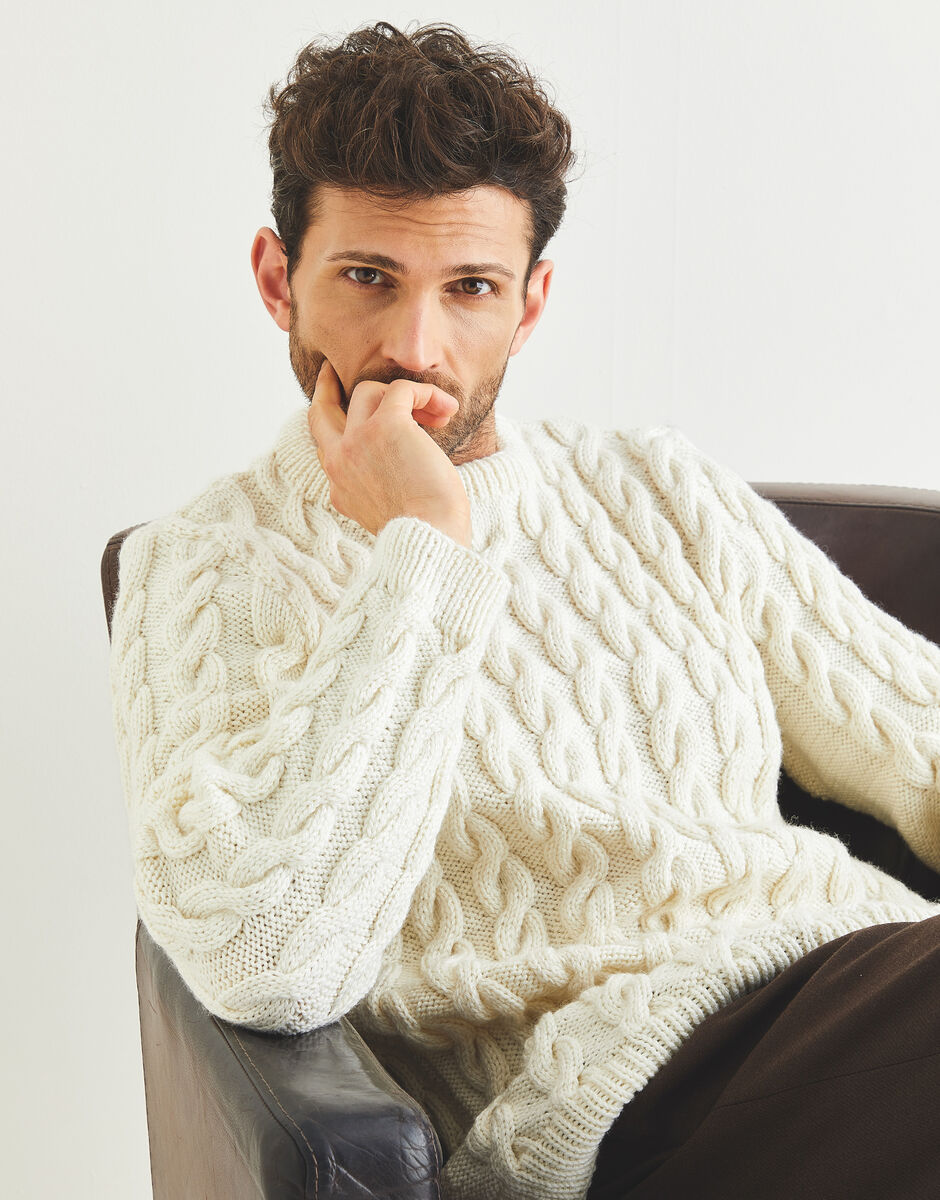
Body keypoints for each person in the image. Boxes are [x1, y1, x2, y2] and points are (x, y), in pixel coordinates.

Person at [108, 20, 940, 1200]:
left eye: (470, 290)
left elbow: (921, 745)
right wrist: (423, 550)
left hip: (847, 987)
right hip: (620, 1090)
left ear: (531, 302)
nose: (415, 346)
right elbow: (266, 961)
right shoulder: (205, 567)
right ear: (276, 279)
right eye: (367, 278)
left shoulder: (657, 490)